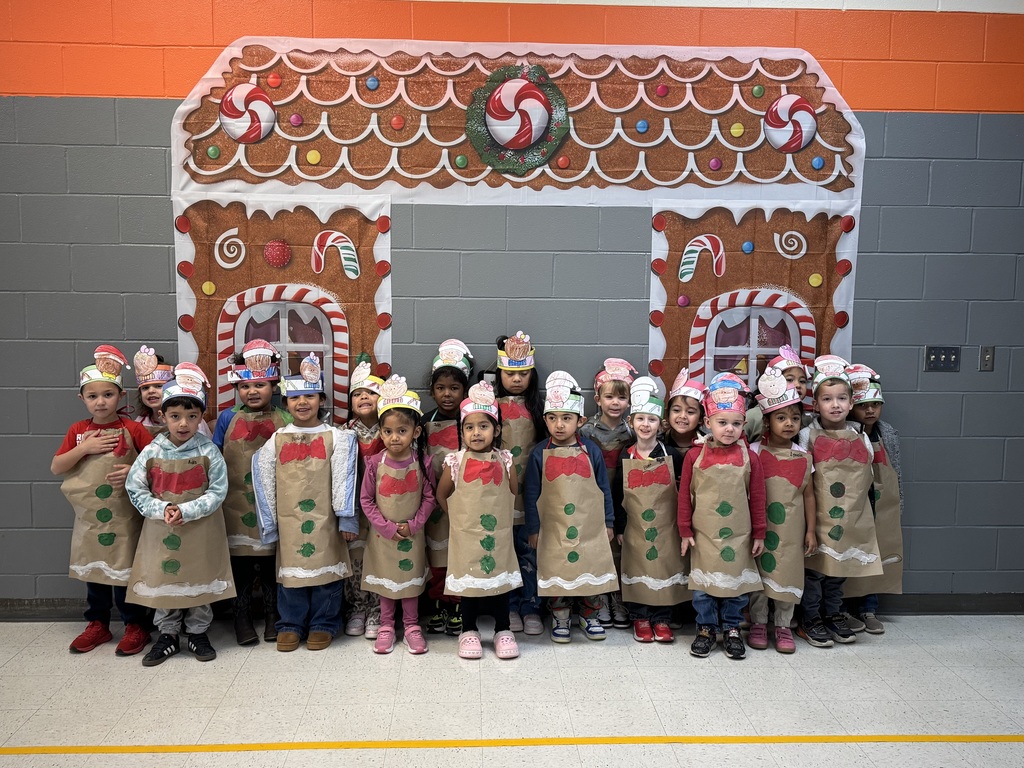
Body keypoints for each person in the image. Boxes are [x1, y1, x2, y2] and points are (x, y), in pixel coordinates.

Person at [125, 363, 233, 666]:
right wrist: (162, 509)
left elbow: (217, 491)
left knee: (199, 577)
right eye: (175, 416)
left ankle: (198, 633)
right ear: (163, 416)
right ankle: (168, 634)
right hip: (161, 530)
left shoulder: (210, 452)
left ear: (200, 417)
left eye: (191, 416)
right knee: (165, 579)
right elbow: (135, 488)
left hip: (200, 529)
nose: (183, 423)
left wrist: (186, 510)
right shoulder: (151, 452)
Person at [51, 345, 154, 656]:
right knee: (94, 574)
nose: (100, 401)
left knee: (124, 571)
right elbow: (57, 466)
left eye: (107, 394)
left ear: (120, 396)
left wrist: (133, 471)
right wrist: (84, 448)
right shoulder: (79, 431)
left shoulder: (133, 428)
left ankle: (135, 624)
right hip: (92, 518)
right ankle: (97, 623)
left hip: (125, 515)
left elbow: (156, 463)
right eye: (92, 395)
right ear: (81, 399)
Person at [251, 354, 358, 652]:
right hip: (290, 521)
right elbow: (263, 478)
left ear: (321, 399)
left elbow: (345, 478)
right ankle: (291, 624)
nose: (302, 403)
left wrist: (346, 518)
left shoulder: (337, 437)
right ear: (285, 402)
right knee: (292, 575)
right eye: (295, 397)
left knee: (326, 572)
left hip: (326, 520)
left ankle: (324, 622)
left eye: (309, 395)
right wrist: (269, 524)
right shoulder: (276, 439)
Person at [795, 355, 883, 648]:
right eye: (828, 399)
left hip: (848, 517)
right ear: (816, 404)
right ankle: (811, 619)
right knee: (816, 573)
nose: (835, 405)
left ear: (850, 402)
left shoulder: (860, 435)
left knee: (838, 573)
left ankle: (834, 613)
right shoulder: (807, 434)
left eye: (842, 398)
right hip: (818, 517)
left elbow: (868, 468)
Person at [524, 371, 617, 643]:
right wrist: (533, 529)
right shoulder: (538, 453)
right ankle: (560, 614)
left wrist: (608, 523)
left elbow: (604, 490)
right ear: (545, 421)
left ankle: (590, 614)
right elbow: (531, 494)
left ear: (581, 421)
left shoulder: (593, 451)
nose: (560, 425)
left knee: (590, 567)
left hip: (589, 526)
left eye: (567, 418)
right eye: (553, 418)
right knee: (557, 570)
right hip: (553, 528)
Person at [678, 373, 766, 660]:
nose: (729, 429)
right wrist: (685, 531)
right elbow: (684, 496)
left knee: (735, 587)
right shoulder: (694, 456)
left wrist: (760, 532)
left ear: (744, 425)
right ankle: (705, 628)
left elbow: (758, 497)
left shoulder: (750, 457)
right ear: (708, 423)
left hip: (739, 536)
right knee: (703, 587)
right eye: (722, 423)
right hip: (703, 536)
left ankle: (731, 629)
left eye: (736, 424)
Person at [212, 339, 291, 646]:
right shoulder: (227, 418)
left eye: (260, 385)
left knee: (273, 564)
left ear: (274, 385)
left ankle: (274, 616)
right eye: (245, 387)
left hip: (272, 502)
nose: (252, 392)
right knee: (242, 564)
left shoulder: (285, 418)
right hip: (235, 504)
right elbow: (216, 456)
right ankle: (241, 617)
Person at [436, 381, 522, 659]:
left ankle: (503, 629)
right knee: (470, 584)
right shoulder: (455, 462)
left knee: (500, 580)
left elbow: (512, 494)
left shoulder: (506, 460)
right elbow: (442, 495)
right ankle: (469, 630)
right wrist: (459, 518)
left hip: (498, 534)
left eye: (483, 426)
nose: (476, 433)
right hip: (466, 535)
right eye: (469, 427)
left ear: (496, 430)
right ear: (461, 431)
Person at [360, 376, 436, 655]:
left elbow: (430, 498)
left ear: (415, 432)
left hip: (413, 535)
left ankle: (413, 626)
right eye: (388, 431)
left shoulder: (422, 462)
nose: (395, 438)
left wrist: (414, 525)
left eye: (402, 431)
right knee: (387, 580)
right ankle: (386, 625)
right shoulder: (373, 464)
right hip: (383, 536)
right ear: (380, 433)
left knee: (410, 580)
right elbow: (366, 500)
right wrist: (387, 527)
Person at [749, 366, 817, 654]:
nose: (789, 423)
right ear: (767, 422)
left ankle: (784, 625)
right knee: (759, 575)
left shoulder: (803, 455)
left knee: (788, 572)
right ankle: (758, 622)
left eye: (795, 418)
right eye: (781, 417)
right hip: (760, 527)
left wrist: (811, 529)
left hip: (792, 528)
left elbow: (810, 494)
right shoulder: (753, 451)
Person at [615, 377, 686, 644]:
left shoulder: (672, 456)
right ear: (631, 422)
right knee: (638, 567)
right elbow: (617, 493)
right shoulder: (626, 455)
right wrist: (620, 526)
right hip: (635, 526)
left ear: (661, 424)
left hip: (667, 526)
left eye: (652, 420)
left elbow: (682, 494)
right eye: (640, 419)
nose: (646, 425)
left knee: (664, 568)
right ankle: (640, 617)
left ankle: (662, 618)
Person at [843, 366, 903, 635]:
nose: (870, 411)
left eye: (876, 405)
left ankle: (868, 607)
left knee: (876, 555)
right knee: (847, 555)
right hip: (852, 503)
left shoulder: (886, 433)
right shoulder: (844, 432)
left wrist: (896, 504)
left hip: (880, 503)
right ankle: (842, 608)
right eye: (864, 405)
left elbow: (895, 470)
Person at [493, 331, 545, 636]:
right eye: (510, 373)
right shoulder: (493, 406)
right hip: (500, 493)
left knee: (529, 551)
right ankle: (509, 605)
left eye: (523, 373)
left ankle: (532, 605)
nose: (516, 379)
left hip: (532, 494)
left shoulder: (538, 408)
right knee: (504, 551)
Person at [581, 357, 638, 630]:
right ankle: (598, 599)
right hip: (594, 497)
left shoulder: (633, 431)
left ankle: (618, 597)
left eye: (622, 397)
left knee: (618, 550)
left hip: (624, 496)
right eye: (609, 396)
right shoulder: (587, 431)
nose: (615, 402)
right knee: (597, 548)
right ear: (598, 399)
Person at [421, 339, 472, 636]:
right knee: (438, 556)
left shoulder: (473, 422)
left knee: (462, 553)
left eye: (454, 388)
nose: (447, 394)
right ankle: (439, 603)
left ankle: (459, 604)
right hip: (434, 501)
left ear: (464, 390)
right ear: (432, 391)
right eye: (441, 388)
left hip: (468, 500)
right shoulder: (425, 422)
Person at [343, 357, 385, 640]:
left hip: (386, 506)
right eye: (357, 394)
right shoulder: (345, 433)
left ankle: (379, 610)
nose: (363, 397)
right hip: (356, 508)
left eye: (370, 392)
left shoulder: (392, 430)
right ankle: (358, 607)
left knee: (380, 556)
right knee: (356, 558)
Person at [131, 345, 175, 436]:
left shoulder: (188, 419)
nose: (151, 391)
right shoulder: (139, 423)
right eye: (145, 388)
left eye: (158, 386)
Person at [662, 369, 704, 453]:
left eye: (690, 412)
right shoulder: (657, 442)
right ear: (668, 413)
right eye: (677, 410)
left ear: (701, 418)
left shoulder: (709, 444)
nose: (682, 416)